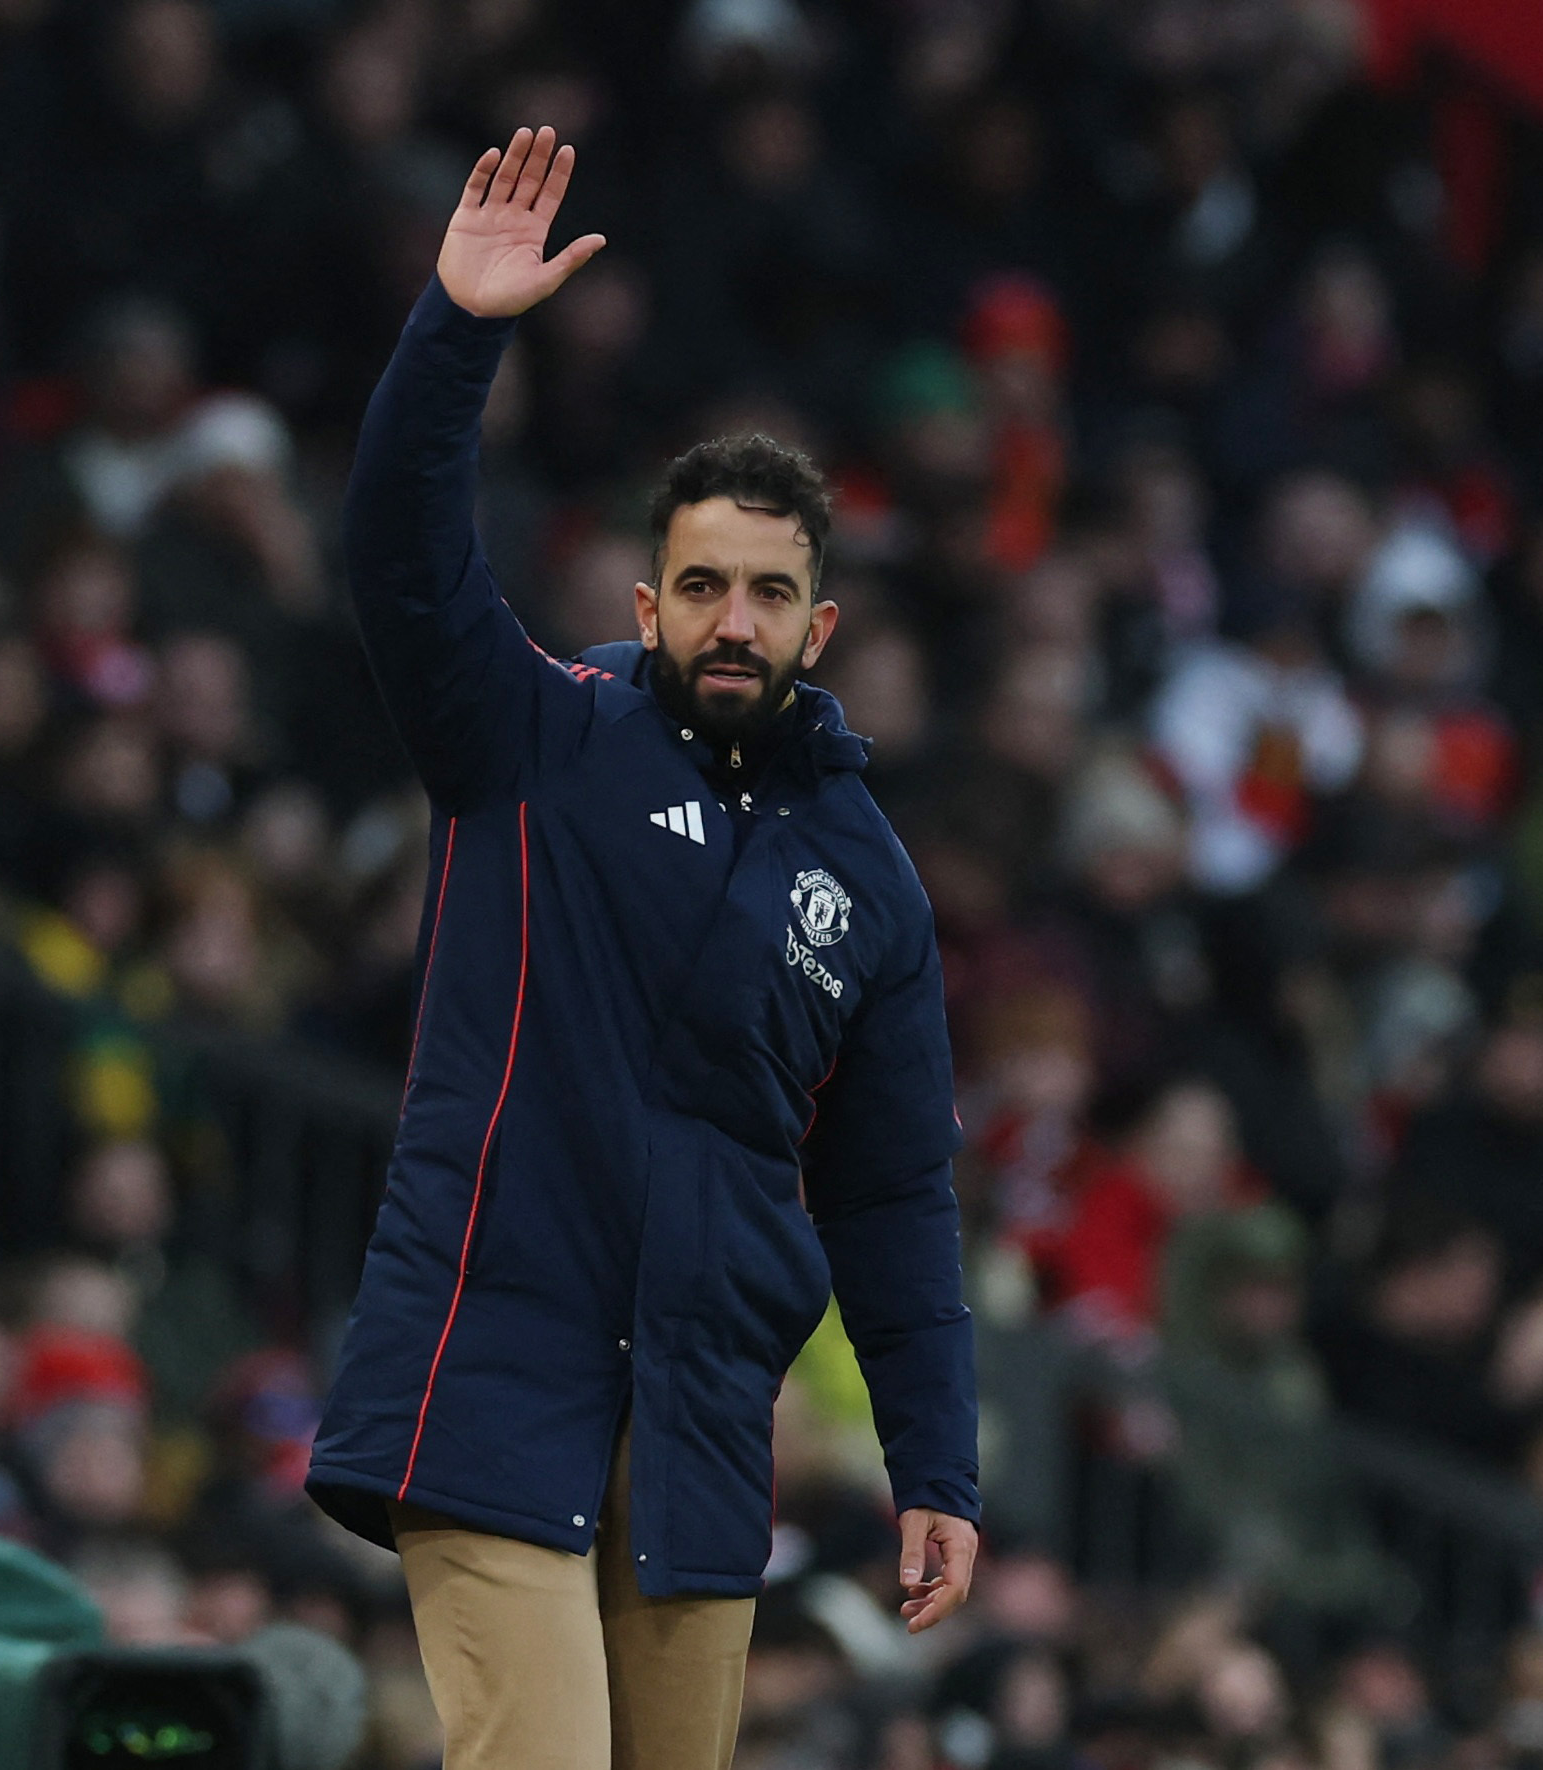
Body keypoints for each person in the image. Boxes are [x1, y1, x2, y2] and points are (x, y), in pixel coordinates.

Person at [304, 129, 980, 1770]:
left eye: (766, 593)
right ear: (647, 595)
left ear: (820, 626)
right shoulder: (536, 734)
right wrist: (457, 331)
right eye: (699, 586)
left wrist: (936, 1466)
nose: (730, 621)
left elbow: (891, 1193)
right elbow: (400, 559)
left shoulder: (871, 885)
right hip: (493, 1361)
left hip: (695, 1424)